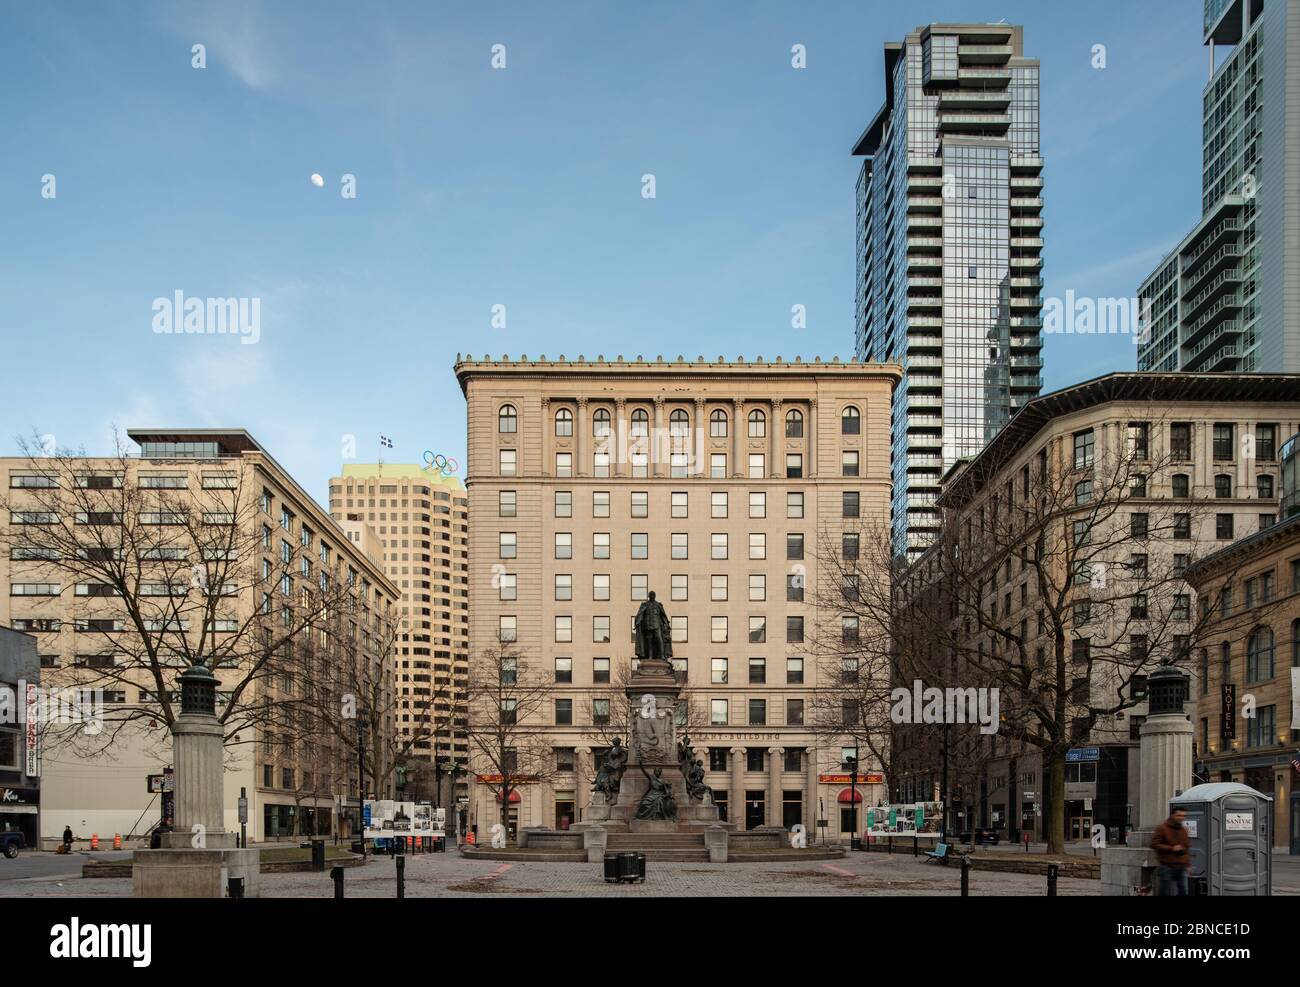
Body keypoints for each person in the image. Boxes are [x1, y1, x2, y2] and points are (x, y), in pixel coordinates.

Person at [1150, 807, 1192, 896]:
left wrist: (1188, 864)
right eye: (1179, 815)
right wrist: (1171, 848)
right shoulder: (1162, 828)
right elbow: (1154, 844)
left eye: (1183, 816)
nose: (1181, 818)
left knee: (1183, 891)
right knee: (1164, 891)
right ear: (1173, 815)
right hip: (1167, 865)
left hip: (1182, 866)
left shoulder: (1183, 830)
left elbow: (1187, 848)